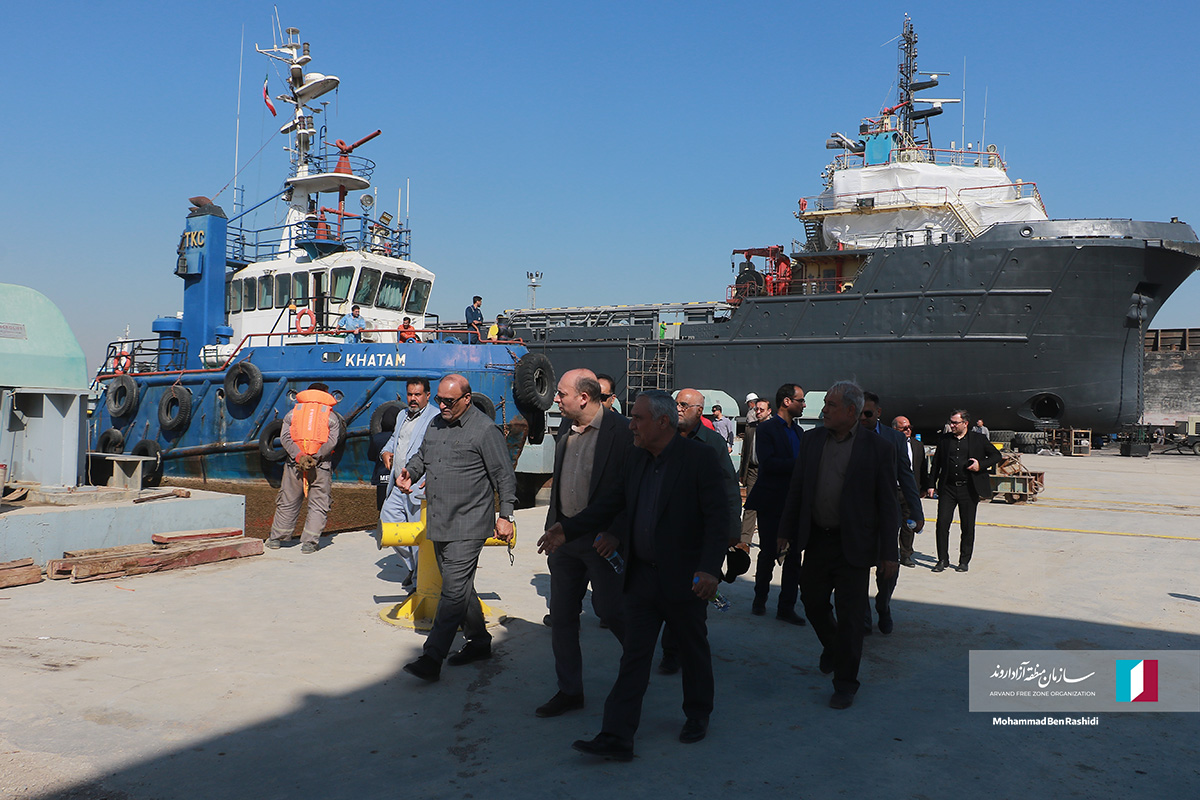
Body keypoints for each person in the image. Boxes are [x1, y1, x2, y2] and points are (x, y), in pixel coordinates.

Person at [541, 390, 727, 759]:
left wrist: (709, 569)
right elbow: (611, 503)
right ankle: (616, 736)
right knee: (634, 657)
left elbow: (717, 519)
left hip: (684, 579)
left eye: (638, 419)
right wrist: (568, 528)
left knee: (692, 648)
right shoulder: (636, 458)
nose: (631, 426)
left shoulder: (699, 459)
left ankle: (697, 713)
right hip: (641, 578)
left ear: (662, 422)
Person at [778, 381, 900, 709]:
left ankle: (845, 683)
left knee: (851, 617)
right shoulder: (812, 440)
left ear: (850, 411)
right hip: (818, 539)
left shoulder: (878, 449)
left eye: (831, 405)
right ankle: (833, 646)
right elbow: (797, 489)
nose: (824, 411)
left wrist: (889, 553)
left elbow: (888, 505)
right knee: (812, 601)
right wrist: (785, 531)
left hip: (854, 545)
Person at [398, 374, 517, 682]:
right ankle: (479, 641)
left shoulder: (485, 430)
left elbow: (504, 476)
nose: (442, 406)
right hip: (439, 520)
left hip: (469, 523)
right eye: (439, 400)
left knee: (451, 592)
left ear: (467, 399)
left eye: (448, 401)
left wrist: (505, 515)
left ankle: (432, 657)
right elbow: (422, 456)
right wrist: (410, 472)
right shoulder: (436, 424)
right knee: (460, 587)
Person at [535, 369, 634, 718]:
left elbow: (632, 491)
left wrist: (616, 533)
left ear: (584, 397)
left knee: (612, 612)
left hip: (603, 542)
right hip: (565, 541)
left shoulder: (623, 432)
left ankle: (638, 662)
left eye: (561, 394)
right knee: (562, 618)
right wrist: (554, 527)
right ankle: (569, 690)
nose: (556, 399)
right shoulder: (565, 426)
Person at [658, 388, 741, 674]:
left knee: (694, 600)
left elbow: (729, 488)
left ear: (699, 411)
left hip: (700, 535)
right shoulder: (663, 437)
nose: (678, 409)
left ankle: (682, 651)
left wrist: (733, 531)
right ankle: (671, 650)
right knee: (666, 594)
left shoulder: (712, 443)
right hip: (666, 533)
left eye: (684, 405)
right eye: (676, 404)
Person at [858, 392, 924, 635]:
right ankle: (863, 616)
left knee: (889, 568)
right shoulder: (850, 435)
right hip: (856, 513)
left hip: (887, 512)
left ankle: (883, 604)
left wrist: (917, 511)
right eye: (858, 413)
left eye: (867, 413)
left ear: (878, 413)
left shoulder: (894, 438)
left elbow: (906, 475)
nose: (863, 418)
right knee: (858, 568)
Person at [744, 384, 807, 625]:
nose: (804, 405)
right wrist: (800, 464)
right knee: (769, 552)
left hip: (795, 502)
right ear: (787, 402)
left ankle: (786, 607)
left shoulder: (800, 432)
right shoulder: (766, 429)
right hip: (772, 501)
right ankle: (760, 599)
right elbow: (768, 463)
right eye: (800, 400)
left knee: (794, 557)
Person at [267, 382, 343, 554]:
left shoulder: (292, 413)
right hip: (320, 465)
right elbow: (332, 441)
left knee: (288, 500)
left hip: (295, 464)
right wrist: (315, 457)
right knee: (319, 504)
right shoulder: (332, 416)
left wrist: (299, 456)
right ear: (325, 394)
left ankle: (276, 539)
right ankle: (310, 543)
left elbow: (285, 438)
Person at [379, 378, 440, 590]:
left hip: (418, 486)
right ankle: (414, 567)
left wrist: (434, 477)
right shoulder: (401, 415)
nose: (413, 399)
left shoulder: (436, 418)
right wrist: (385, 452)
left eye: (417, 395)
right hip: (398, 484)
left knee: (418, 532)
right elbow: (395, 438)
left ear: (427, 396)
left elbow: (439, 450)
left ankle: (419, 584)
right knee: (388, 521)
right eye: (410, 394)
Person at [926, 410, 1001, 573]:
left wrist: (980, 465)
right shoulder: (945, 439)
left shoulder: (978, 439)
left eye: (955, 423)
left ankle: (964, 561)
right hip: (948, 488)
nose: (952, 425)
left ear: (965, 423)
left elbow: (996, 455)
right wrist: (931, 485)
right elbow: (936, 464)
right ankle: (942, 559)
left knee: (967, 526)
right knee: (942, 524)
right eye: (951, 422)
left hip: (968, 489)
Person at [891, 415, 930, 567]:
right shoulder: (888, 443)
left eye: (910, 428)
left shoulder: (917, 445)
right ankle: (888, 553)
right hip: (892, 489)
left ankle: (906, 554)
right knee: (891, 524)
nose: (908, 430)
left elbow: (922, 468)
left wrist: (924, 487)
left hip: (909, 490)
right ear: (895, 429)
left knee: (909, 524)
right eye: (904, 428)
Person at [737, 398, 767, 552]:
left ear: (769, 411)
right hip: (752, 470)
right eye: (757, 409)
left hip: (768, 472)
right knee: (750, 505)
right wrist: (742, 473)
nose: (758, 412)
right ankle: (744, 540)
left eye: (762, 409)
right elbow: (745, 452)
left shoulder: (774, 429)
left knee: (768, 507)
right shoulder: (750, 428)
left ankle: (768, 539)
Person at [368, 405, 400, 512]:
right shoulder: (400, 438)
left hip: (381, 478)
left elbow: (371, 456)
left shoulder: (376, 438)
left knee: (382, 508)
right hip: (397, 477)